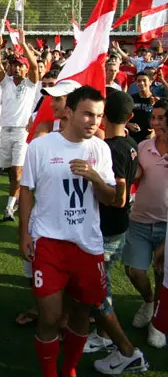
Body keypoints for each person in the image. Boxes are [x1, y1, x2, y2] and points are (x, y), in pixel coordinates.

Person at [18, 86, 117, 377]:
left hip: (87, 244)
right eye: (87, 113)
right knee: (49, 317)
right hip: (49, 242)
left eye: (98, 115)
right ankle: (50, 372)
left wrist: (95, 177)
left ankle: (70, 368)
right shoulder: (42, 146)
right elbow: (26, 190)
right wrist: (24, 234)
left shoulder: (100, 149)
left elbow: (111, 198)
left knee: (81, 314)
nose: (94, 121)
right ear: (69, 113)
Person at [83, 92, 149, 375]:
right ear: (131, 117)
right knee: (100, 284)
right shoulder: (132, 144)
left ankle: (123, 349)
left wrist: (96, 178)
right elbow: (137, 175)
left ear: (103, 116)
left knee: (99, 289)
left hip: (108, 227)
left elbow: (119, 196)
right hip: (118, 225)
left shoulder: (109, 148)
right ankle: (102, 335)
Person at [122, 99, 168, 349]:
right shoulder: (143, 147)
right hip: (139, 220)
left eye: (161, 118)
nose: (156, 123)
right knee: (135, 271)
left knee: (163, 274)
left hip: (167, 226)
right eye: (154, 118)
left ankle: (157, 323)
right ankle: (149, 302)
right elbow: (135, 176)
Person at [0, 34, 41, 222]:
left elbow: (35, 66)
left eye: (21, 65)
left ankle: (9, 207)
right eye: (15, 65)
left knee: (18, 170)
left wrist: (23, 44)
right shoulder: (6, 83)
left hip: (22, 131)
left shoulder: (30, 84)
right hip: (5, 130)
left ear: (25, 68)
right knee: (11, 172)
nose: (17, 67)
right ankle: (17, 197)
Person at [128, 71, 155, 143]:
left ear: (150, 82)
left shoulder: (156, 99)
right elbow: (123, 117)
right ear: (136, 83)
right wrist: (128, 124)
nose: (141, 83)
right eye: (139, 81)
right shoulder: (131, 99)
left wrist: (154, 132)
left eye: (144, 80)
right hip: (133, 138)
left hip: (149, 138)